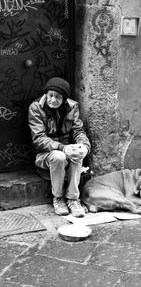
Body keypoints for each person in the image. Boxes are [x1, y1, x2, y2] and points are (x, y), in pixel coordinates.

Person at [28, 77, 91, 217]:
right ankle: (58, 198)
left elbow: (78, 131)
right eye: (50, 95)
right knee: (59, 156)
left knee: (76, 153)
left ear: (64, 99)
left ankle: (73, 199)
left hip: (66, 150)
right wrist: (62, 147)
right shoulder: (36, 108)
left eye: (58, 97)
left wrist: (84, 147)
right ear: (46, 94)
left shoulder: (72, 107)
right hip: (46, 155)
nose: (53, 100)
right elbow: (38, 139)